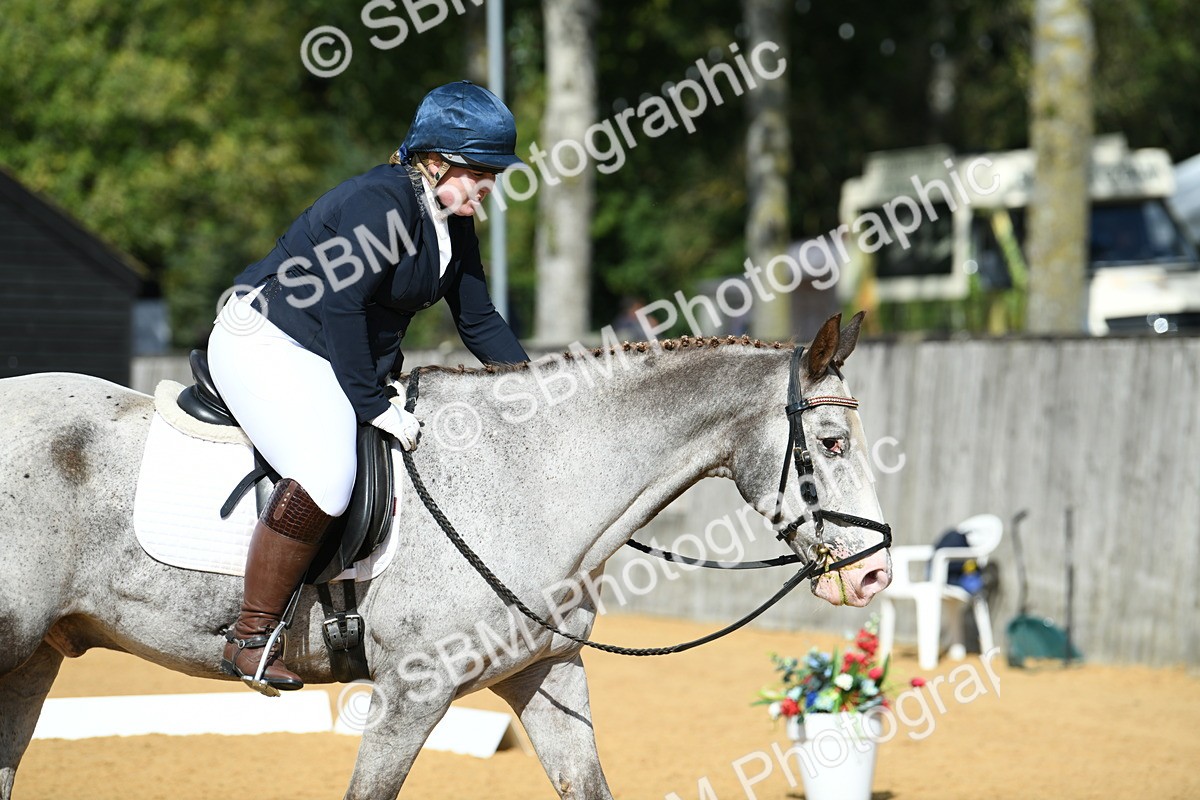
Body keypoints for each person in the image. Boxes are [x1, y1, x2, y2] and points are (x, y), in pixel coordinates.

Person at [206, 80, 529, 694]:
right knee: (327, 471)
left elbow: (480, 320)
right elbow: (343, 307)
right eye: (479, 172)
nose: (489, 187)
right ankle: (249, 637)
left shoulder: (452, 224)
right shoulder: (379, 202)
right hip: (268, 337)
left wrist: (533, 390)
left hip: (325, 345)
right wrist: (372, 404)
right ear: (433, 162)